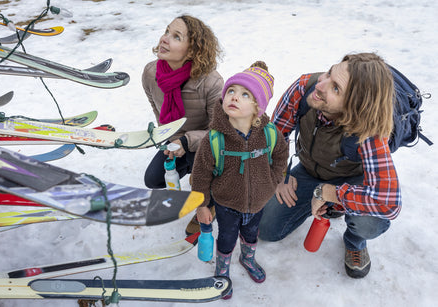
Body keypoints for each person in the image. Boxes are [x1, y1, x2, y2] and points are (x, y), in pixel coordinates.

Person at [258, 52, 402, 279]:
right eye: (328, 73)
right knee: (266, 229)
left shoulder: (369, 128)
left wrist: (329, 193)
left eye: (336, 88)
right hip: (308, 171)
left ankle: (355, 241)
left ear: (355, 106)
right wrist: (281, 175)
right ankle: (328, 205)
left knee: (371, 222)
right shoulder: (305, 87)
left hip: (352, 180)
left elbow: (388, 203)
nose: (321, 85)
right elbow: (274, 138)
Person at [191, 61, 288, 299]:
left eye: (245, 94)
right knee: (226, 236)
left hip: (259, 201)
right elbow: (201, 173)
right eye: (231, 91)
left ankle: (248, 258)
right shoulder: (214, 138)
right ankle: (222, 269)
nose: (234, 97)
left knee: (252, 232)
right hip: (226, 202)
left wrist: (274, 179)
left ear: (257, 107)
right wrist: (202, 204)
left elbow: (281, 155)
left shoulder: (270, 133)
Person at [142, 15, 223, 191]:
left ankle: (211, 197)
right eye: (167, 32)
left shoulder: (211, 83)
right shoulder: (150, 73)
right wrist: (169, 140)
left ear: (193, 51)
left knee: (205, 170)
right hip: (176, 140)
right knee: (153, 179)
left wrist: (187, 143)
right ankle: (191, 167)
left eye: (176, 37)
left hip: (206, 143)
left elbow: (221, 132)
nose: (164, 39)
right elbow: (158, 112)